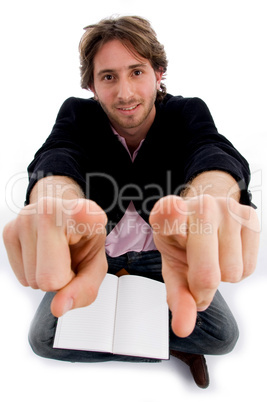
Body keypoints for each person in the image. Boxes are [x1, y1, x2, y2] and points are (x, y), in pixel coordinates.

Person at [3, 16, 259, 389]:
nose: (125, 93)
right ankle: (163, 345)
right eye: (108, 77)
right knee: (42, 341)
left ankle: (125, 337)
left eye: (136, 72)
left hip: (164, 255)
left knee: (223, 337)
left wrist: (214, 195)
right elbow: (58, 156)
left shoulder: (187, 112)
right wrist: (55, 201)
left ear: (158, 73)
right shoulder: (77, 114)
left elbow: (211, 150)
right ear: (91, 84)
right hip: (96, 256)